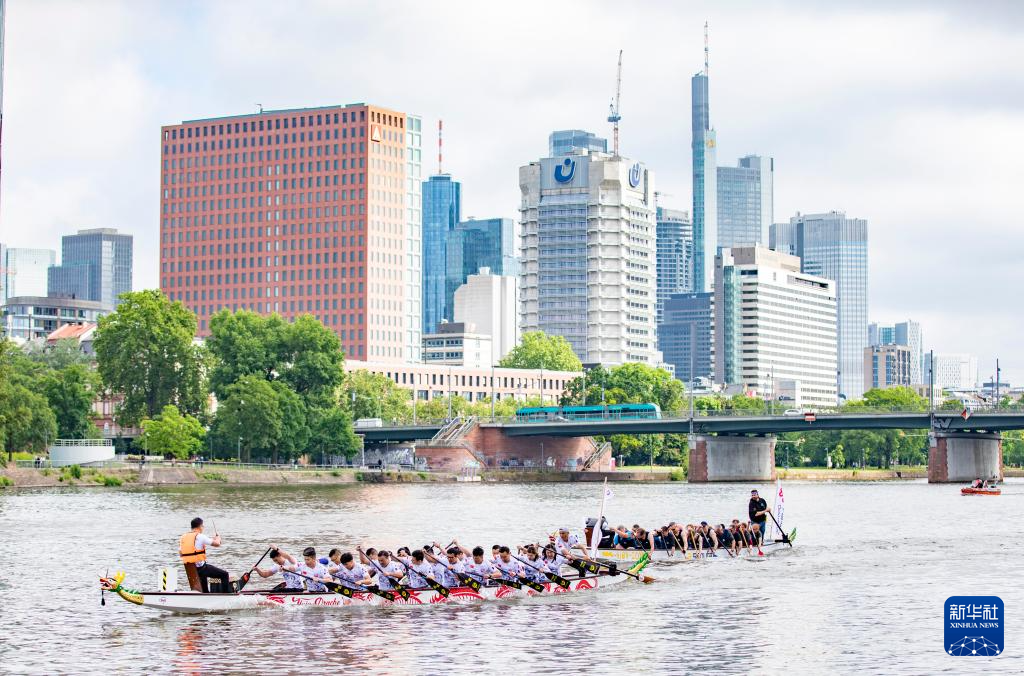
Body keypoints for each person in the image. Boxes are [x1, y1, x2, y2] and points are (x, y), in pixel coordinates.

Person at [179, 517, 231, 593]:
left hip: (190, 570)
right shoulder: (200, 536)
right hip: (201, 569)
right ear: (200, 526)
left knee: (204, 585)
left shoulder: (183, 537)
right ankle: (226, 596)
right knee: (225, 575)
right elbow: (217, 544)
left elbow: (180, 553)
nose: (203, 528)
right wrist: (218, 538)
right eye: (202, 526)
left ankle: (205, 594)